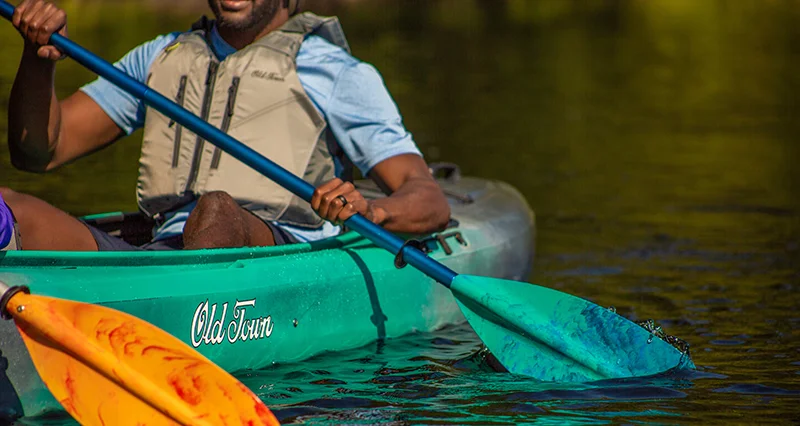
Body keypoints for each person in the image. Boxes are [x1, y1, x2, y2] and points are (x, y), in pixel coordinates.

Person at [2, 0, 451, 252]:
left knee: (216, 210)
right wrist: (38, 57)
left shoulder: (336, 72)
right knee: (7, 207)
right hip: (167, 250)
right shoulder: (161, 57)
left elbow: (426, 195)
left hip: (273, 251)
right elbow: (40, 151)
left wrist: (370, 212)